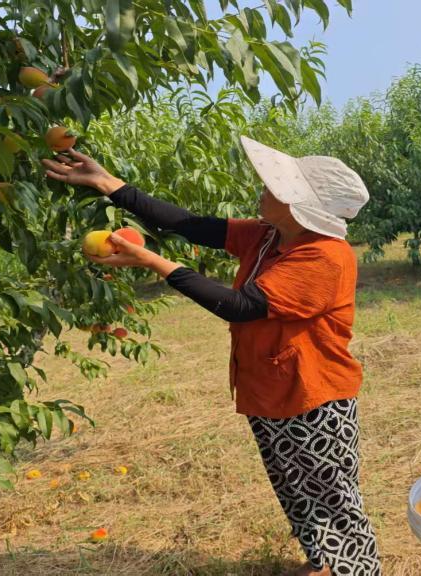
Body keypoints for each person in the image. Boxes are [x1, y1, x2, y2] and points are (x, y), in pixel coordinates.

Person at [42, 136, 381, 576]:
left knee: (332, 494)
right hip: (268, 385)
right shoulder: (269, 235)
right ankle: (323, 562)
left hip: (314, 397)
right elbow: (191, 225)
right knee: (293, 486)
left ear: (297, 207)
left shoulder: (325, 257)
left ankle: (356, 569)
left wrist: (153, 262)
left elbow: (240, 306)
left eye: (275, 187)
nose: (263, 188)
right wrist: (108, 183)